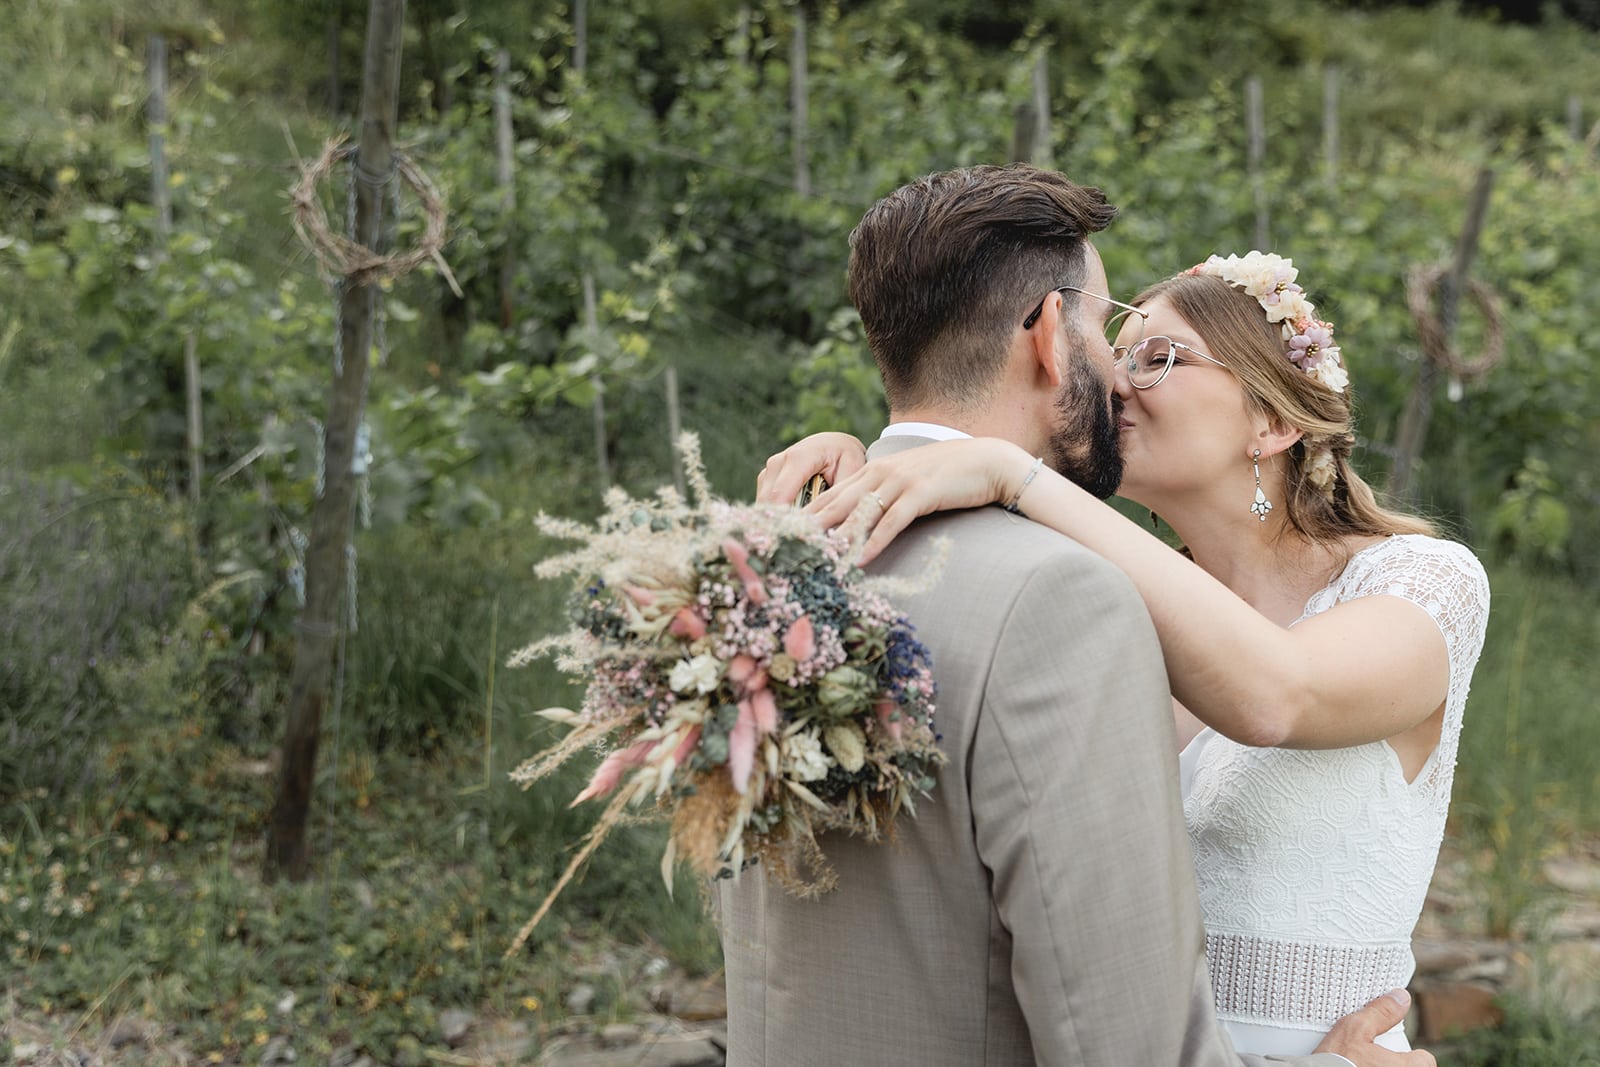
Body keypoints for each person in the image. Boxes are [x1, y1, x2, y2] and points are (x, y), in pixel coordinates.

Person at [719, 163, 1433, 1066]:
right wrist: (872, 472)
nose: (1122, 381)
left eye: (1160, 358)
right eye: (1114, 338)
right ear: (1053, 339)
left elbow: (1278, 695)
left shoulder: (776, 570)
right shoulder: (1073, 596)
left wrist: (998, 469)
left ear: (1274, 422)